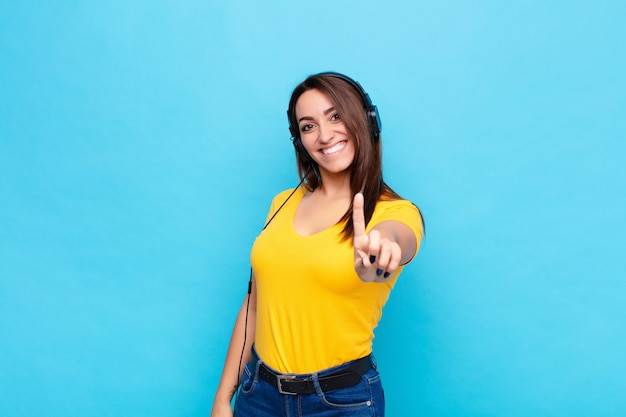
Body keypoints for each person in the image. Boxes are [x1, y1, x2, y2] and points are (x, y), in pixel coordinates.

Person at [210, 72, 424, 417]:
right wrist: (223, 397)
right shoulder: (283, 202)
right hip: (258, 394)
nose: (325, 135)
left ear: (366, 121)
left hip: (341, 402)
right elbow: (253, 306)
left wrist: (382, 249)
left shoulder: (395, 212)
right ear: (300, 141)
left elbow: (399, 238)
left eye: (335, 116)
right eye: (308, 126)